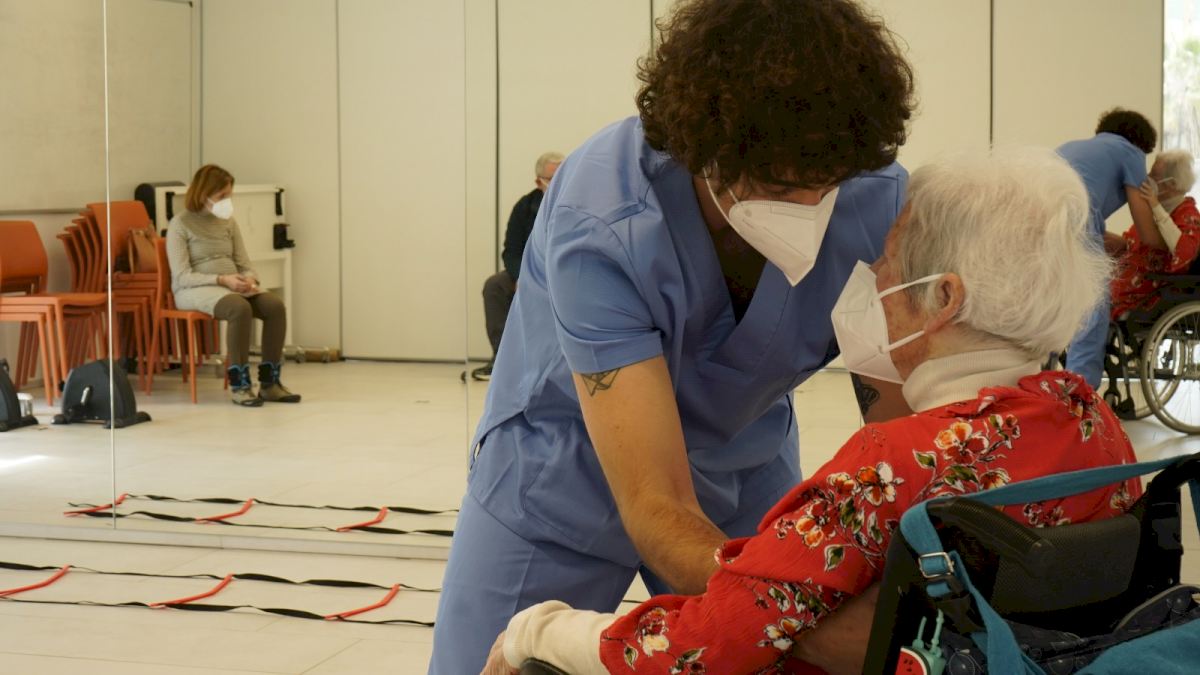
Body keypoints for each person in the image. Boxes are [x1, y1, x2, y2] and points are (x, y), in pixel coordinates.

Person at [484, 148, 1141, 675]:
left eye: (888, 259)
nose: (873, 276)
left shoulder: (886, 466)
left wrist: (538, 631)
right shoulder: (1094, 424)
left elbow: (701, 649)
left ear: (943, 298)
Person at [430, 1, 917, 672]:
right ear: (705, 152)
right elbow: (656, 502)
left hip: (743, 461)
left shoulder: (872, 193)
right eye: (780, 185)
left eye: (826, 185)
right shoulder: (606, 215)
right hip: (564, 471)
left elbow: (903, 432)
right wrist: (795, 613)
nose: (810, 207)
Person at [166, 164, 301, 407]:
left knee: (274, 306)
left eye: (229, 195)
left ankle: (270, 384)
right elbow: (182, 276)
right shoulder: (180, 224)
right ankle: (240, 385)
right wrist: (221, 279)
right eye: (222, 196)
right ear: (203, 194)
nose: (227, 201)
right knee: (239, 308)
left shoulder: (228, 222)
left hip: (231, 286)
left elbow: (244, 263)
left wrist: (250, 279)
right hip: (194, 289)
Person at [1056, 108, 1158, 388]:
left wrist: (1118, 241)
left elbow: (1070, 223)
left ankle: (1035, 382)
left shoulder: (1071, 147)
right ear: (1142, 144)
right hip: (1076, 216)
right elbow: (1147, 231)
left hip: (1031, 217)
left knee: (1047, 302)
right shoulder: (1130, 152)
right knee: (1093, 304)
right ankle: (1080, 391)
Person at [470, 151, 563, 382]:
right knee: (495, 285)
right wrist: (524, 276)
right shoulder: (524, 207)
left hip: (564, 273)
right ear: (538, 182)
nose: (557, 184)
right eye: (551, 179)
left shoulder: (576, 204)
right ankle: (503, 361)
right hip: (529, 272)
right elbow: (511, 250)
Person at [1109, 150, 1200, 318]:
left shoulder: (1188, 214)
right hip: (1131, 275)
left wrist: (1155, 205)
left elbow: (1183, 251)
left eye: (1154, 175)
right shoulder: (1153, 210)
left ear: (1172, 184)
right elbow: (1130, 243)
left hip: (1155, 287)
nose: (1147, 178)